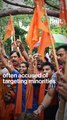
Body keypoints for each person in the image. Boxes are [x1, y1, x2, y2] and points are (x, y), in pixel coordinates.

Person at [34, 44, 67, 120]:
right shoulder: (56, 75)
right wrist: (41, 107)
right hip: (62, 110)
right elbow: (50, 94)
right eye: (57, 55)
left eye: (61, 55)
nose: (58, 58)